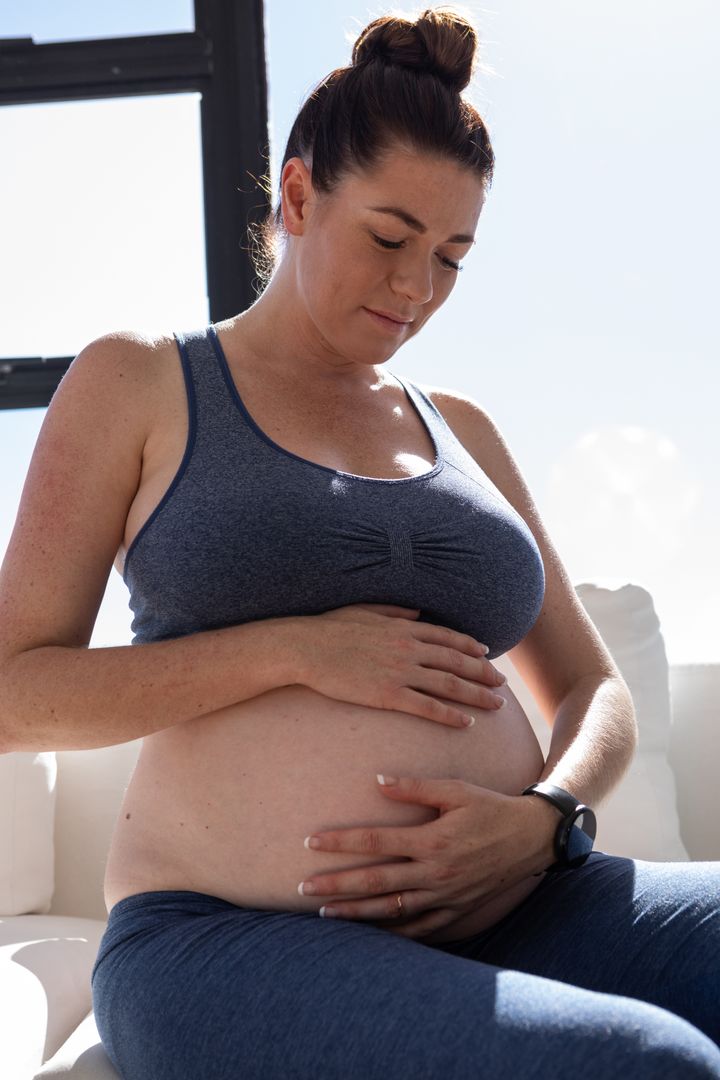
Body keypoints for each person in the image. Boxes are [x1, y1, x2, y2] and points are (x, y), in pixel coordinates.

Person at [1, 6, 718, 1078]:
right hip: (225, 938)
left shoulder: (462, 426)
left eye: (451, 257)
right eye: (389, 238)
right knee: (647, 1063)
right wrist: (296, 649)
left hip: (533, 898)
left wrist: (544, 817)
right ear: (297, 197)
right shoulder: (143, 380)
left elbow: (590, 689)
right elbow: (15, 696)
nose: (416, 289)